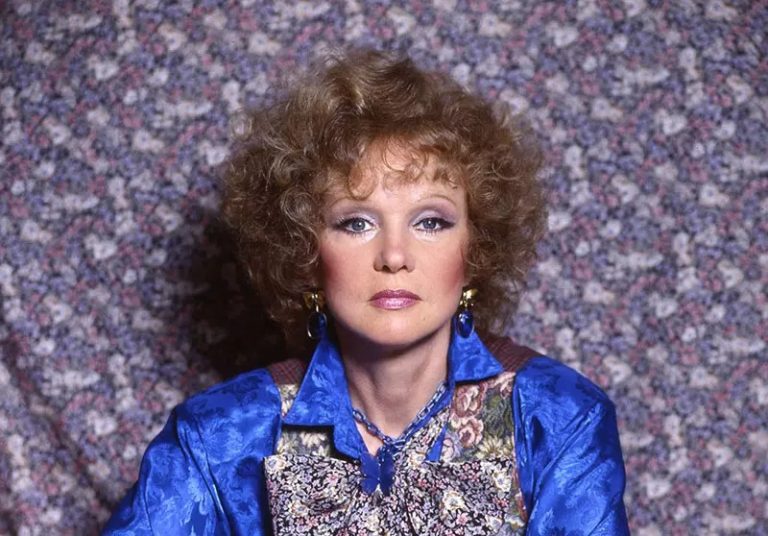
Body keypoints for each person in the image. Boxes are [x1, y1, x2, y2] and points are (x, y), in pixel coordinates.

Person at [104, 48, 630, 535]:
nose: (394, 255)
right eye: (356, 223)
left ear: (475, 250)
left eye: (430, 222)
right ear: (306, 254)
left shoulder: (555, 419)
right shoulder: (220, 436)